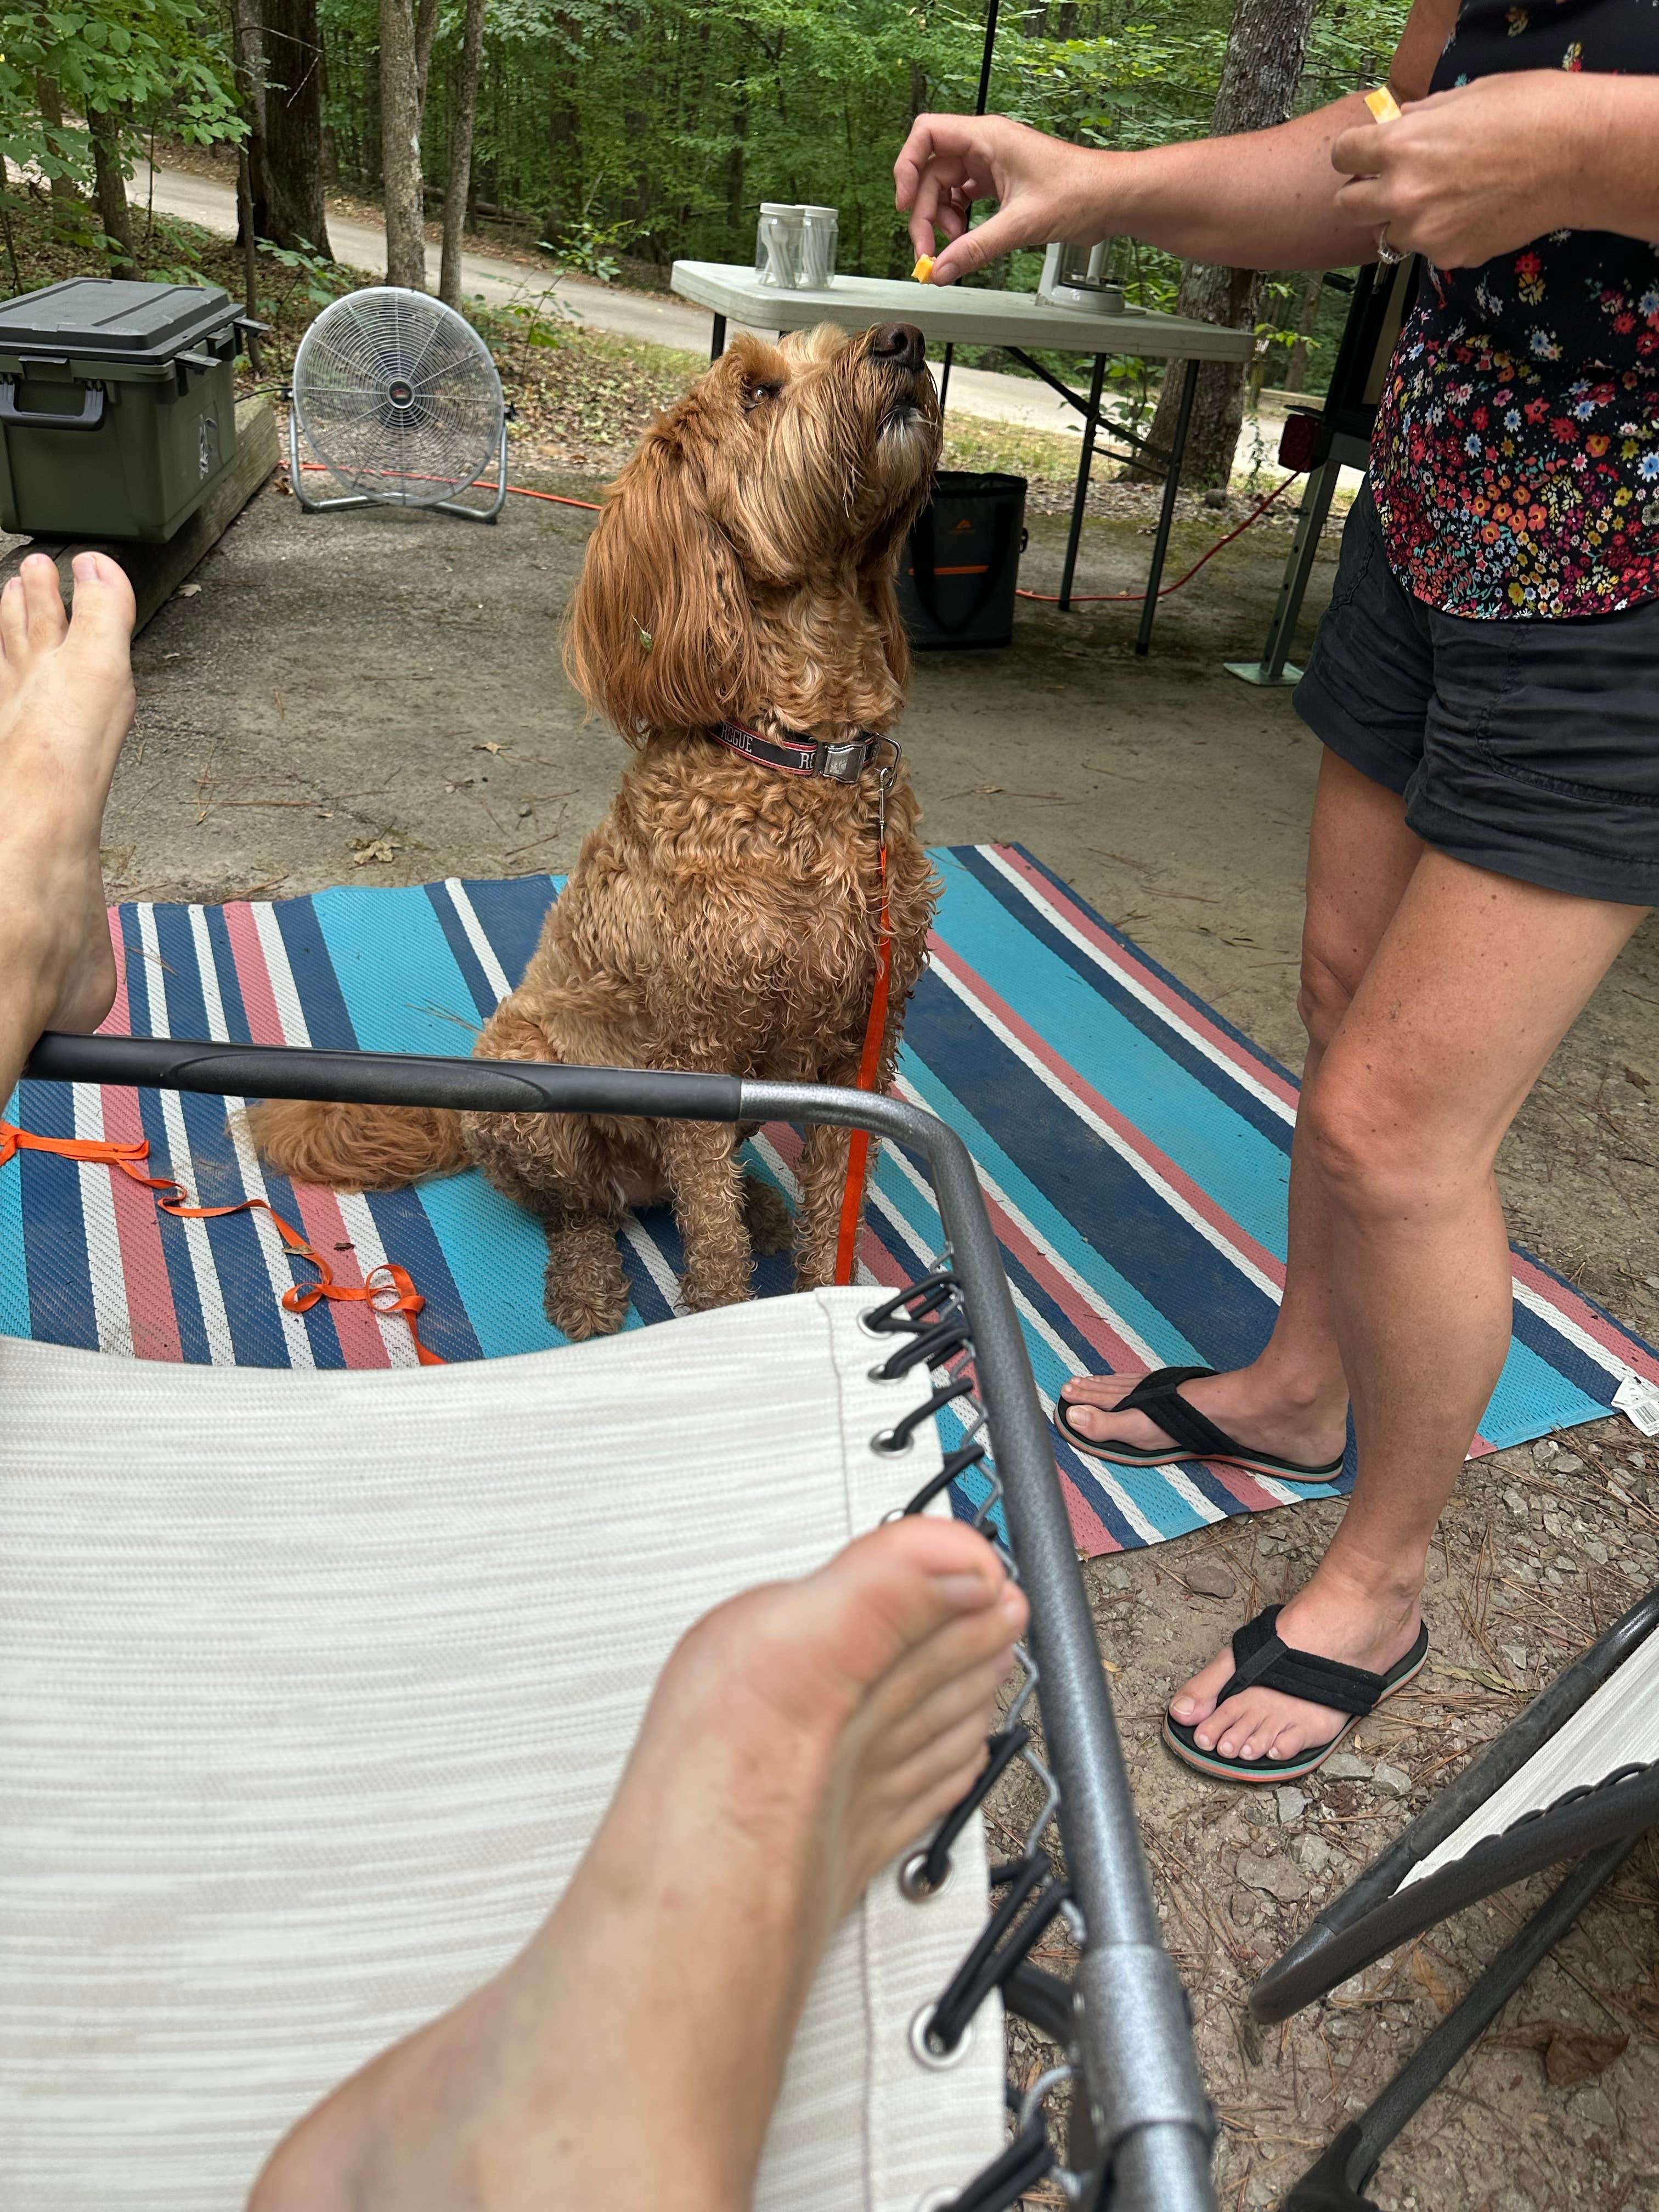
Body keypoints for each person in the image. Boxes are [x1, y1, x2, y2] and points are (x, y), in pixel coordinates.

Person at [0, 549, 1026, 2206]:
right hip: (591, 1091)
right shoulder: (680, 784)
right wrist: (704, 1273)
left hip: (744, 1091)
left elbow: (856, 1039)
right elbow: (679, 1053)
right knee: (572, 1117)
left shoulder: (881, 795)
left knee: (787, 1098)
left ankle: (12, 912)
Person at [898, 0, 1659, 1783]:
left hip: (1631, 590)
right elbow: (1375, 149)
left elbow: (1538, 150)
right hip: (1443, 507)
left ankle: (1385, 1575)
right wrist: (1100, 181)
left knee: (1403, 1128)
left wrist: (1593, 148)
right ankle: (1301, 1387)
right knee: (1337, 989)